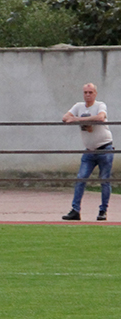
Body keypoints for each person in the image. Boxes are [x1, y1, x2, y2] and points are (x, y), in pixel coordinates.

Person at [62, 83, 113, 221]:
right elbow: (65, 117)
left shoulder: (100, 105)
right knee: (81, 178)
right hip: (89, 150)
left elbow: (100, 117)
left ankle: (103, 210)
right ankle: (75, 210)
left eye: (90, 92)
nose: (88, 95)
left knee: (104, 180)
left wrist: (77, 119)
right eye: (85, 92)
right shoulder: (78, 106)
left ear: (95, 93)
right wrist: (81, 121)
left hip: (104, 148)